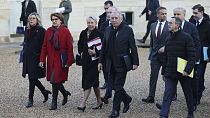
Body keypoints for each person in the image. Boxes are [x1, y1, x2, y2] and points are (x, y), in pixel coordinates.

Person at [98, 11, 139, 118]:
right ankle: (126, 99)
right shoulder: (107, 30)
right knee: (115, 86)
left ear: (121, 19)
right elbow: (104, 47)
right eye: (112, 18)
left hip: (122, 63)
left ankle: (115, 110)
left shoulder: (127, 29)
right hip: (109, 63)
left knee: (118, 86)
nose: (114, 20)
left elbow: (133, 47)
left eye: (116, 18)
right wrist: (100, 61)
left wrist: (135, 62)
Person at [159, 17, 195, 118]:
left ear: (177, 25)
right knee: (167, 94)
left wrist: (187, 70)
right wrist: (163, 72)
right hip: (170, 72)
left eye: (171, 23)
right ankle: (163, 115)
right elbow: (165, 57)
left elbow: (192, 56)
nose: (168, 24)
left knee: (188, 93)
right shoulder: (168, 38)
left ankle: (190, 113)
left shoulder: (187, 37)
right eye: (168, 23)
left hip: (184, 72)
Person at [39, 13, 74, 110]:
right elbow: (44, 46)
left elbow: (69, 47)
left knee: (54, 81)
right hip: (51, 60)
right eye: (52, 19)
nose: (54, 21)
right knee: (55, 80)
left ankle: (54, 102)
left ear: (61, 20)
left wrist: (69, 61)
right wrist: (42, 59)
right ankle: (65, 93)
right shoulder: (49, 31)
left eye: (56, 19)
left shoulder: (65, 31)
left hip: (61, 60)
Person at [22, 12, 51, 108]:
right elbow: (26, 43)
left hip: (37, 58)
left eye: (33, 18)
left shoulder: (42, 30)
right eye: (30, 18)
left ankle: (30, 99)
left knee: (32, 78)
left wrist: (42, 59)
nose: (31, 20)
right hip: (28, 58)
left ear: (37, 20)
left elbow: (44, 45)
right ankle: (44, 92)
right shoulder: (27, 30)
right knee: (32, 78)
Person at [142, 7, 169, 103]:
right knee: (153, 76)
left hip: (167, 56)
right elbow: (152, 41)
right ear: (157, 14)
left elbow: (174, 40)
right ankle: (151, 96)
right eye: (162, 13)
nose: (164, 15)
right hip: (155, 56)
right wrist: (151, 53)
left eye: (165, 13)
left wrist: (166, 48)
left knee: (168, 76)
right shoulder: (153, 25)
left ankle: (171, 95)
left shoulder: (170, 25)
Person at [77, 16, 104, 112]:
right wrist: (82, 53)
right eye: (88, 22)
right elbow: (79, 45)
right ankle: (99, 101)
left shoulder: (100, 34)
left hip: (95, 62)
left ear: (95, 23)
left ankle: (82, 104)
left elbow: (103, 49)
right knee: (94, 83)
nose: (90, 24)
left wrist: (95, 52)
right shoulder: (83, 33)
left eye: (92, 22)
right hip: (85, 62)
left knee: (88, 82)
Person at [190, 4, 210, 106]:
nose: (194, 15)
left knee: (199, 76)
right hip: (192, 54)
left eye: (196, 13)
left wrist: (209, 56)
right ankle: (196, 91)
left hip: (203, 55)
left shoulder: (208, 24)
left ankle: (196, 98)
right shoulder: (191, 22)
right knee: (192, 76)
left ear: (201, 13)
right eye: (193, 13)